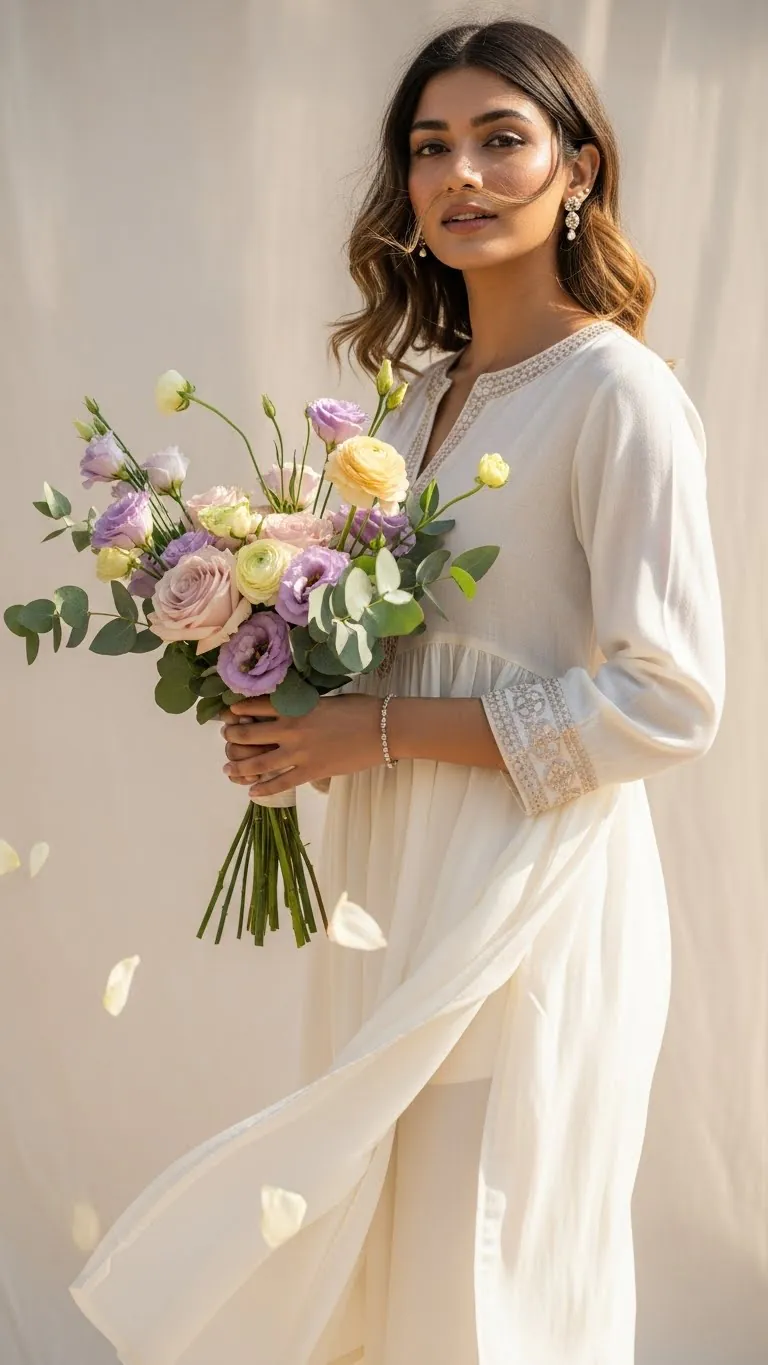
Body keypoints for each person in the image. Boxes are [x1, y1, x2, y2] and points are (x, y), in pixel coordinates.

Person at [70, 18, 725, 1365]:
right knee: (372, 1266)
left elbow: (669, 697)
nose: (461, 176)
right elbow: (404, 643)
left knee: (491, 1274)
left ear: (579, 171)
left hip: (532, 904)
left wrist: (364, 729)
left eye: (502, 140)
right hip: (397, 886)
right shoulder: (415, 404)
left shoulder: (620, 394)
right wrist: (275, 682)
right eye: (432, 148)